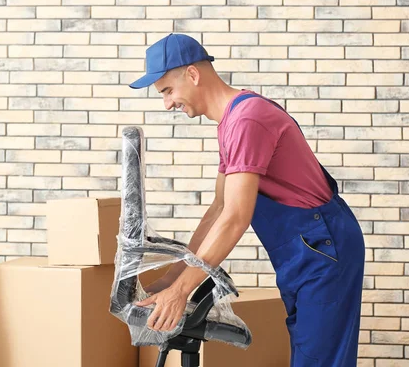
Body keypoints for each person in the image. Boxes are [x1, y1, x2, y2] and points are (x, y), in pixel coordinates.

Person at [129, 33, 365, 366]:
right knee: (310, 351)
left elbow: (236, 217)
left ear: (193, 74)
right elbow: (219, 207)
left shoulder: (247, 120)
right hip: (305, 249)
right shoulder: (231, 121)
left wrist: (181, 292)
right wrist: (171, 278)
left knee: (319, 360)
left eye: (167, 91)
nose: (167, 104)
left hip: (322, 247)